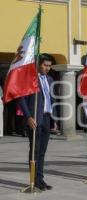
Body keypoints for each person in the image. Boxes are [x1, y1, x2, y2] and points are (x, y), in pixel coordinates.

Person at [18, 53, 56, 191]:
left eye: (49, 66)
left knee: (42, 152)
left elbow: (51, 100)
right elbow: (21, 99)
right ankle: (34, 181)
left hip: (46, 118)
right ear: (38, 64)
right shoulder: (30, 79)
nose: (47, 68)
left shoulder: (50, 79)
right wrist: (28, 117)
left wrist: (54, 119)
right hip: (34, 119)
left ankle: (40, 179)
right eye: (45, 65)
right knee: (35, 150)